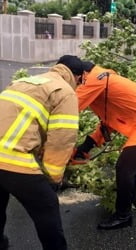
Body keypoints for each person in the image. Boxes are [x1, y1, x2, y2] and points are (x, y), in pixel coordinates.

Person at [64, 55, 136, 230]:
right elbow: (107, 121)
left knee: (124, 168)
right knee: (132, 167)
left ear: (79, 74)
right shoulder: (102, 78)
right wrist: (86, 146)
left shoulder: (91, 81)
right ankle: (130, 200)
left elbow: (66, 110)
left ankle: (123, 215)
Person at [0, 58, 84, 249]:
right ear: (77, 77)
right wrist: (53, 178)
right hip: (13, 161)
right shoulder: (65, 92)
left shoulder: (24, 82)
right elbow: (62, 138)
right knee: (47, 208)